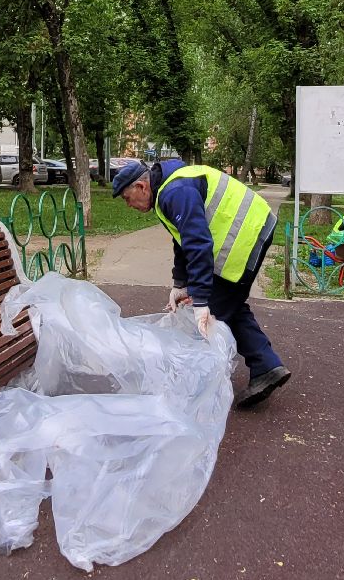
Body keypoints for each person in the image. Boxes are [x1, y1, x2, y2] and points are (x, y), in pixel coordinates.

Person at [112, 159, 291, 408]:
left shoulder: (175, 192)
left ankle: (195, 387)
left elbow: (198, 244)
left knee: (211, 315)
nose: (129, 205)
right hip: (252, 227)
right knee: (229, 304)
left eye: (126, 197)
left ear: (142, 187)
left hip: (245, 236)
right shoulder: (168, 188)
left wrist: (201, 299)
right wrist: (180, 283)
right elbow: (182, 239)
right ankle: (265, 365)